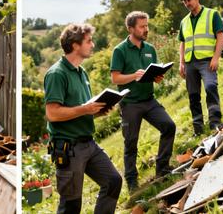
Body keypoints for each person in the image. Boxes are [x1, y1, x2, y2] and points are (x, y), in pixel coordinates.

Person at [44, 23, 122, 214]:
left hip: (89, 144)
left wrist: (96, 111)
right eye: (89, 41)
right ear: (75, 45)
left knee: (113, 181)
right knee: (71, 206)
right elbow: (52, 113)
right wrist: (86, 109)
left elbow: (80, 109)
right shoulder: (57, 74)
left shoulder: (82, 72)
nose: (92, 45)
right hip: (69, 148)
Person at [110, 11, 176, 192]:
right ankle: (132, 182)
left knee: (169, 126)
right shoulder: (120, 50)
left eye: (147, 25)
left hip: (149, 100)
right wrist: (133, 76)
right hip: (130, 103)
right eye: (142, 26)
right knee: (131, 143)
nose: (146, 29)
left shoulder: (150, 49)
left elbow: (153, 71)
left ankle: (162, 169)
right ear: (131, 29)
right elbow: (115, 78)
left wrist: (157, 77)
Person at [178, 0, 223, 136]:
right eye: (184, 1)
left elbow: (220, 37)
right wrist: (181, 63)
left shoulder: (212, 14)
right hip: (190, 63)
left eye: (189, 0)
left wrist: (216, 58)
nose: (187, 3)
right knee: (193, 95)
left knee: (211, 87)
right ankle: (198, 128)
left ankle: (215, 122)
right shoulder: (184, 21)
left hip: (207, 61)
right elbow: (182, 43)